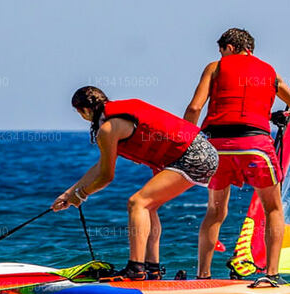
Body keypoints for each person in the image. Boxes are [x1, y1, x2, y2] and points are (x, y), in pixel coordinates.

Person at [183, 28, 290, 284]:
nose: (221, 56)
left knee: (215, 211)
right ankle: (272, 275)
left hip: (217, 146)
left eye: (222, 51)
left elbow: (195, 107)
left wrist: (187, 142)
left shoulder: (215, 67)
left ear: (230, 47)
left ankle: (203, 276)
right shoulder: (269, 71)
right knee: (273, 208)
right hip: (255, 145)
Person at [53, 86, 218, 280]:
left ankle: (135, 269)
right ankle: (152, 269)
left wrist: (81, 195)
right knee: (148, 206)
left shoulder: (108, 129)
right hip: (203, 152)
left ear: (85, 110)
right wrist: (69, 193)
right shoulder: (114, 121)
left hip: (194, 155)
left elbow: (106, 176)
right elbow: (100, 167)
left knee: (137, 202)